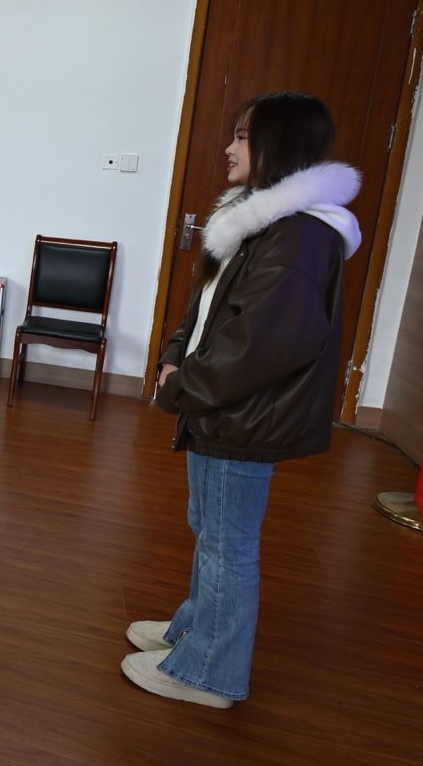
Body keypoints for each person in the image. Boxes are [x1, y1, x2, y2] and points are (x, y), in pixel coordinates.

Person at [124, 91, 362, 708]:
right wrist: (175, 357)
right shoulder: (258, 222)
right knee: (209, 529)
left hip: (243, 414)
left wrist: (182, 386)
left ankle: (209, 673)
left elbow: (262, 345)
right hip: (221, 407)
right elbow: (207, 308)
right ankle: (193, 634)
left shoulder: (300, 236)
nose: (229, 148)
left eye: (242, 136)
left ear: (279, 144)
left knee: (227, 543)